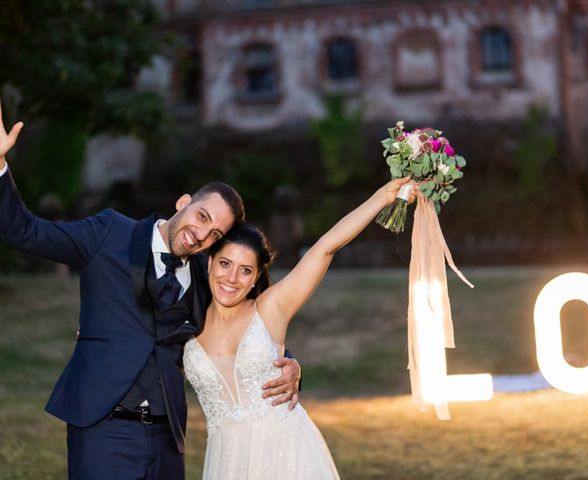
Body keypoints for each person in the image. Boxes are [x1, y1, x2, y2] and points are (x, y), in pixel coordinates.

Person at [0, 102, 301, 480]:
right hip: (101, 429)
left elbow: (243, 324)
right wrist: (0, 167)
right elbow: (24, 231)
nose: (201, 234)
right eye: (202, 217)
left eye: (215, 235)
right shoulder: (109, 233)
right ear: (183, 202)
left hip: (165, 437)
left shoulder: (206, 276)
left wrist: (289, 361)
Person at [184, 177, 415, 479]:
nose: (232, 279)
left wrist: (383, 196)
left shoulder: (269, 309)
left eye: (245, 271)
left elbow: (324, 249)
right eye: (225, 264)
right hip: (226, 461)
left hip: (286, 453)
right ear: (210, 261)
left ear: (255, 278)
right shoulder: (185, 322)